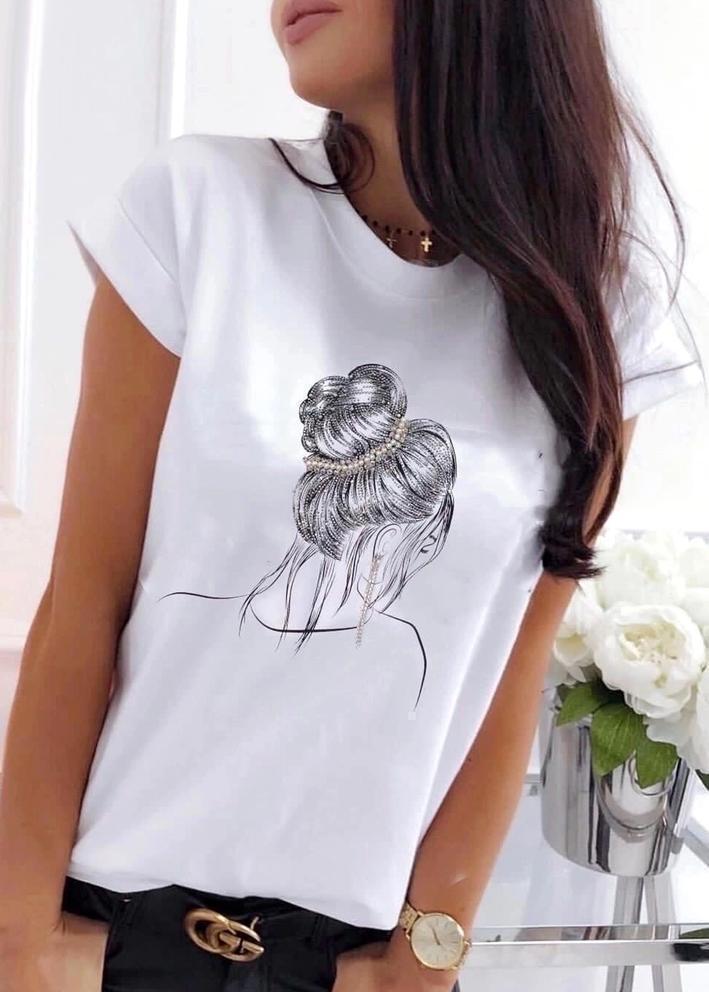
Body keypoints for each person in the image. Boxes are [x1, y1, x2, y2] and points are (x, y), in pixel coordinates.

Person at [0, 1, 705, 990]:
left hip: (345, 960)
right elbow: (83, 603)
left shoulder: (598, 307)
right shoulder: (200, 210)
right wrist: (21, 947)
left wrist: (417, 966)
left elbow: (510, 675)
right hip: (112, 935)